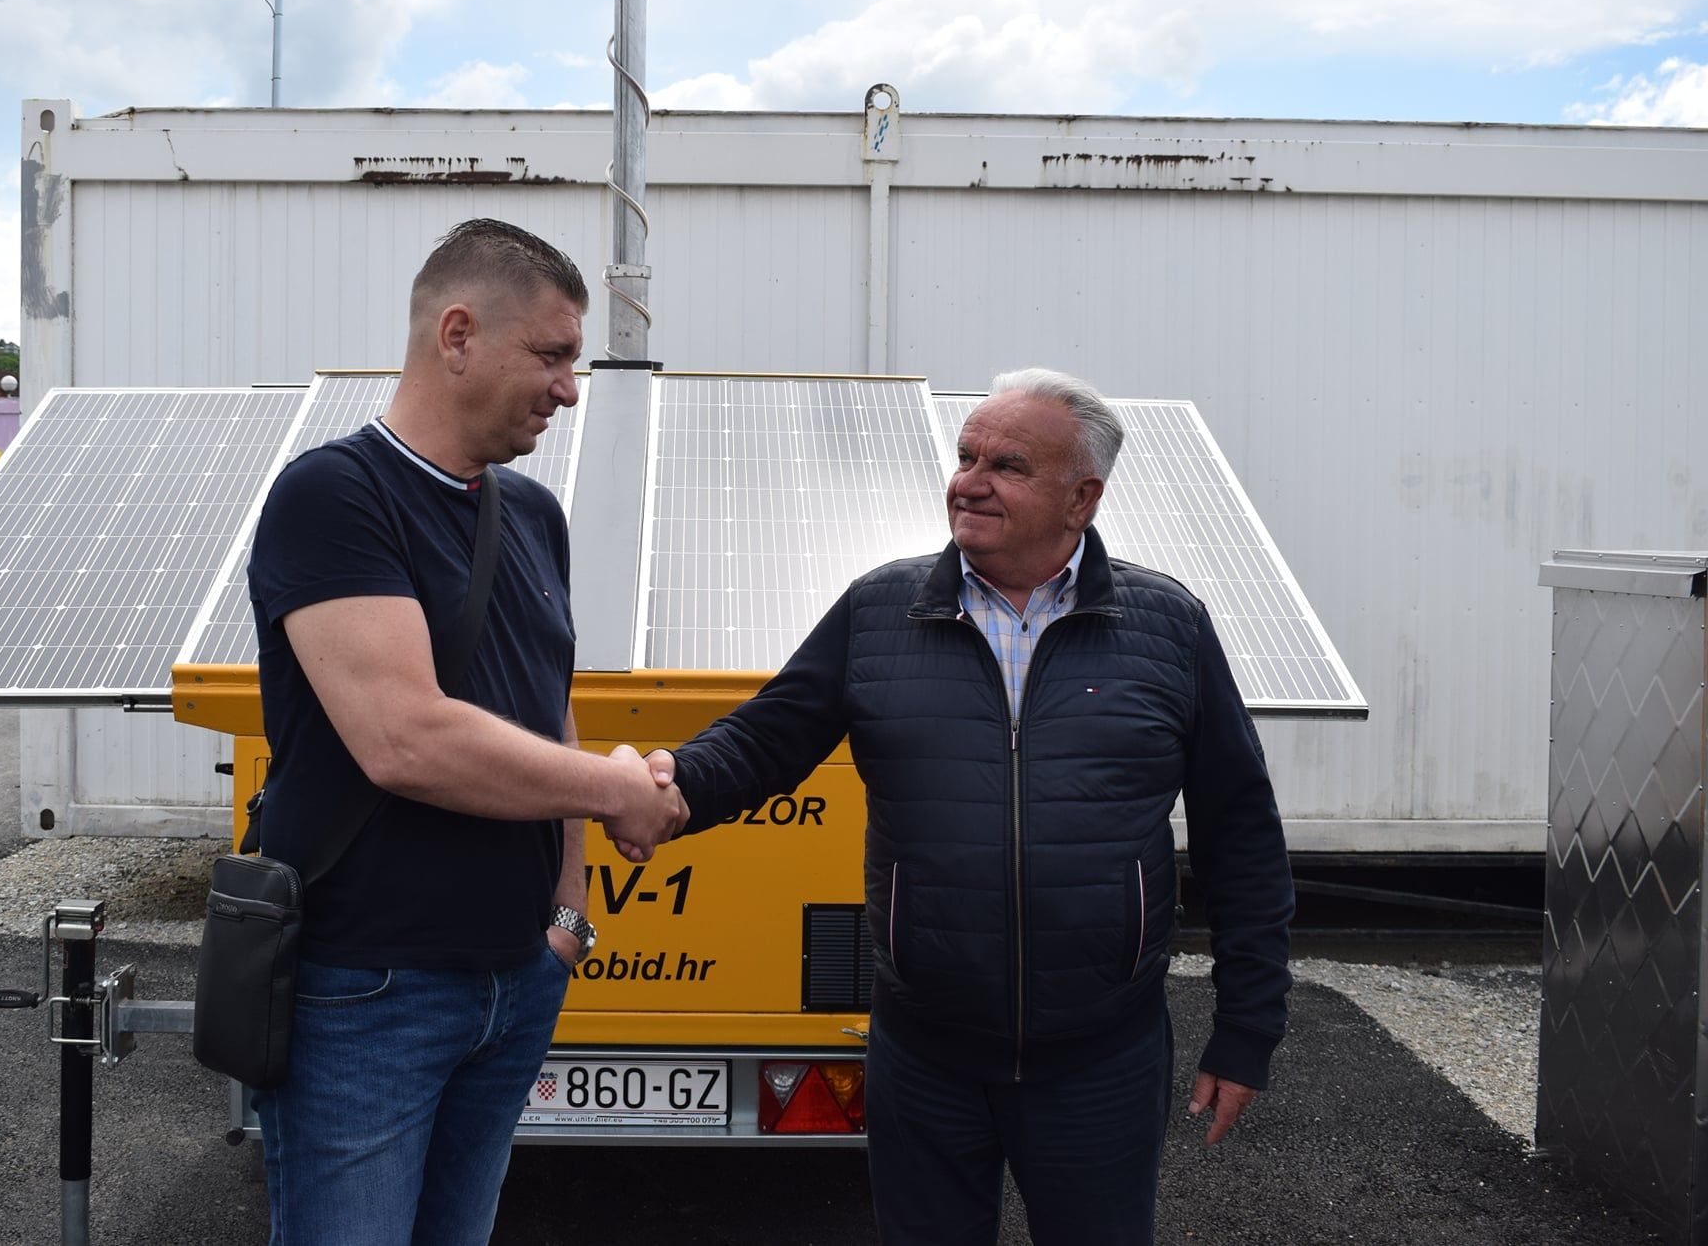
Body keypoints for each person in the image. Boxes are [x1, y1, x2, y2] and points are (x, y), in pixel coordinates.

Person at [646, 368, 1292, 1246]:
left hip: (1101, 1059)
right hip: (926, 1057)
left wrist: (1247, 1029)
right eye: (966, 457)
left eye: (1007, 465)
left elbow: (1240, 834)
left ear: (1082, 498)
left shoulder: (1167, 628)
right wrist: (668, 783)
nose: (970, 482)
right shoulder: (882, 611)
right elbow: (764, 740)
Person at [245, 218, 688, 1246]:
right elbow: (405, 738)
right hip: (370, 991)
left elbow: (547, 703)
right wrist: (616, 789)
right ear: (457, 336)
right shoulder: (333, 496)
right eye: (552, 355)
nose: (569, 389)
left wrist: (567, 914)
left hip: (517, 976)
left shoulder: (531, 515)